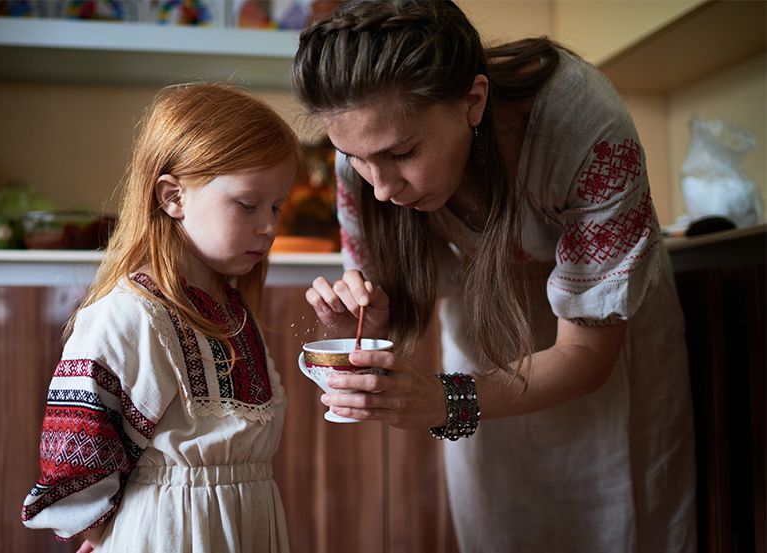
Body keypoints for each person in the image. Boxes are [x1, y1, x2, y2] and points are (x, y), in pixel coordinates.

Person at [292, 1, 696, 551]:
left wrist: (447, 401)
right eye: (355, 158)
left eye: (403, 153)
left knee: (623, 519)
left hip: (605, 343)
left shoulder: (582, 124)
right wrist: (374, 312)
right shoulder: (364, 157)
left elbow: (588, 356)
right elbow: (393, 291)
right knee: (502, 523)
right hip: (486, 345)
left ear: (473, 102)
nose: (381, 187)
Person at [21, 83, 300, 553]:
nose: (269, 226)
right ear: (174, 197)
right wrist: (97, 531)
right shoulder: (129, 314)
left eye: (276, 206)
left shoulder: (231, 308)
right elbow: (75, 456)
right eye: (249, 205)